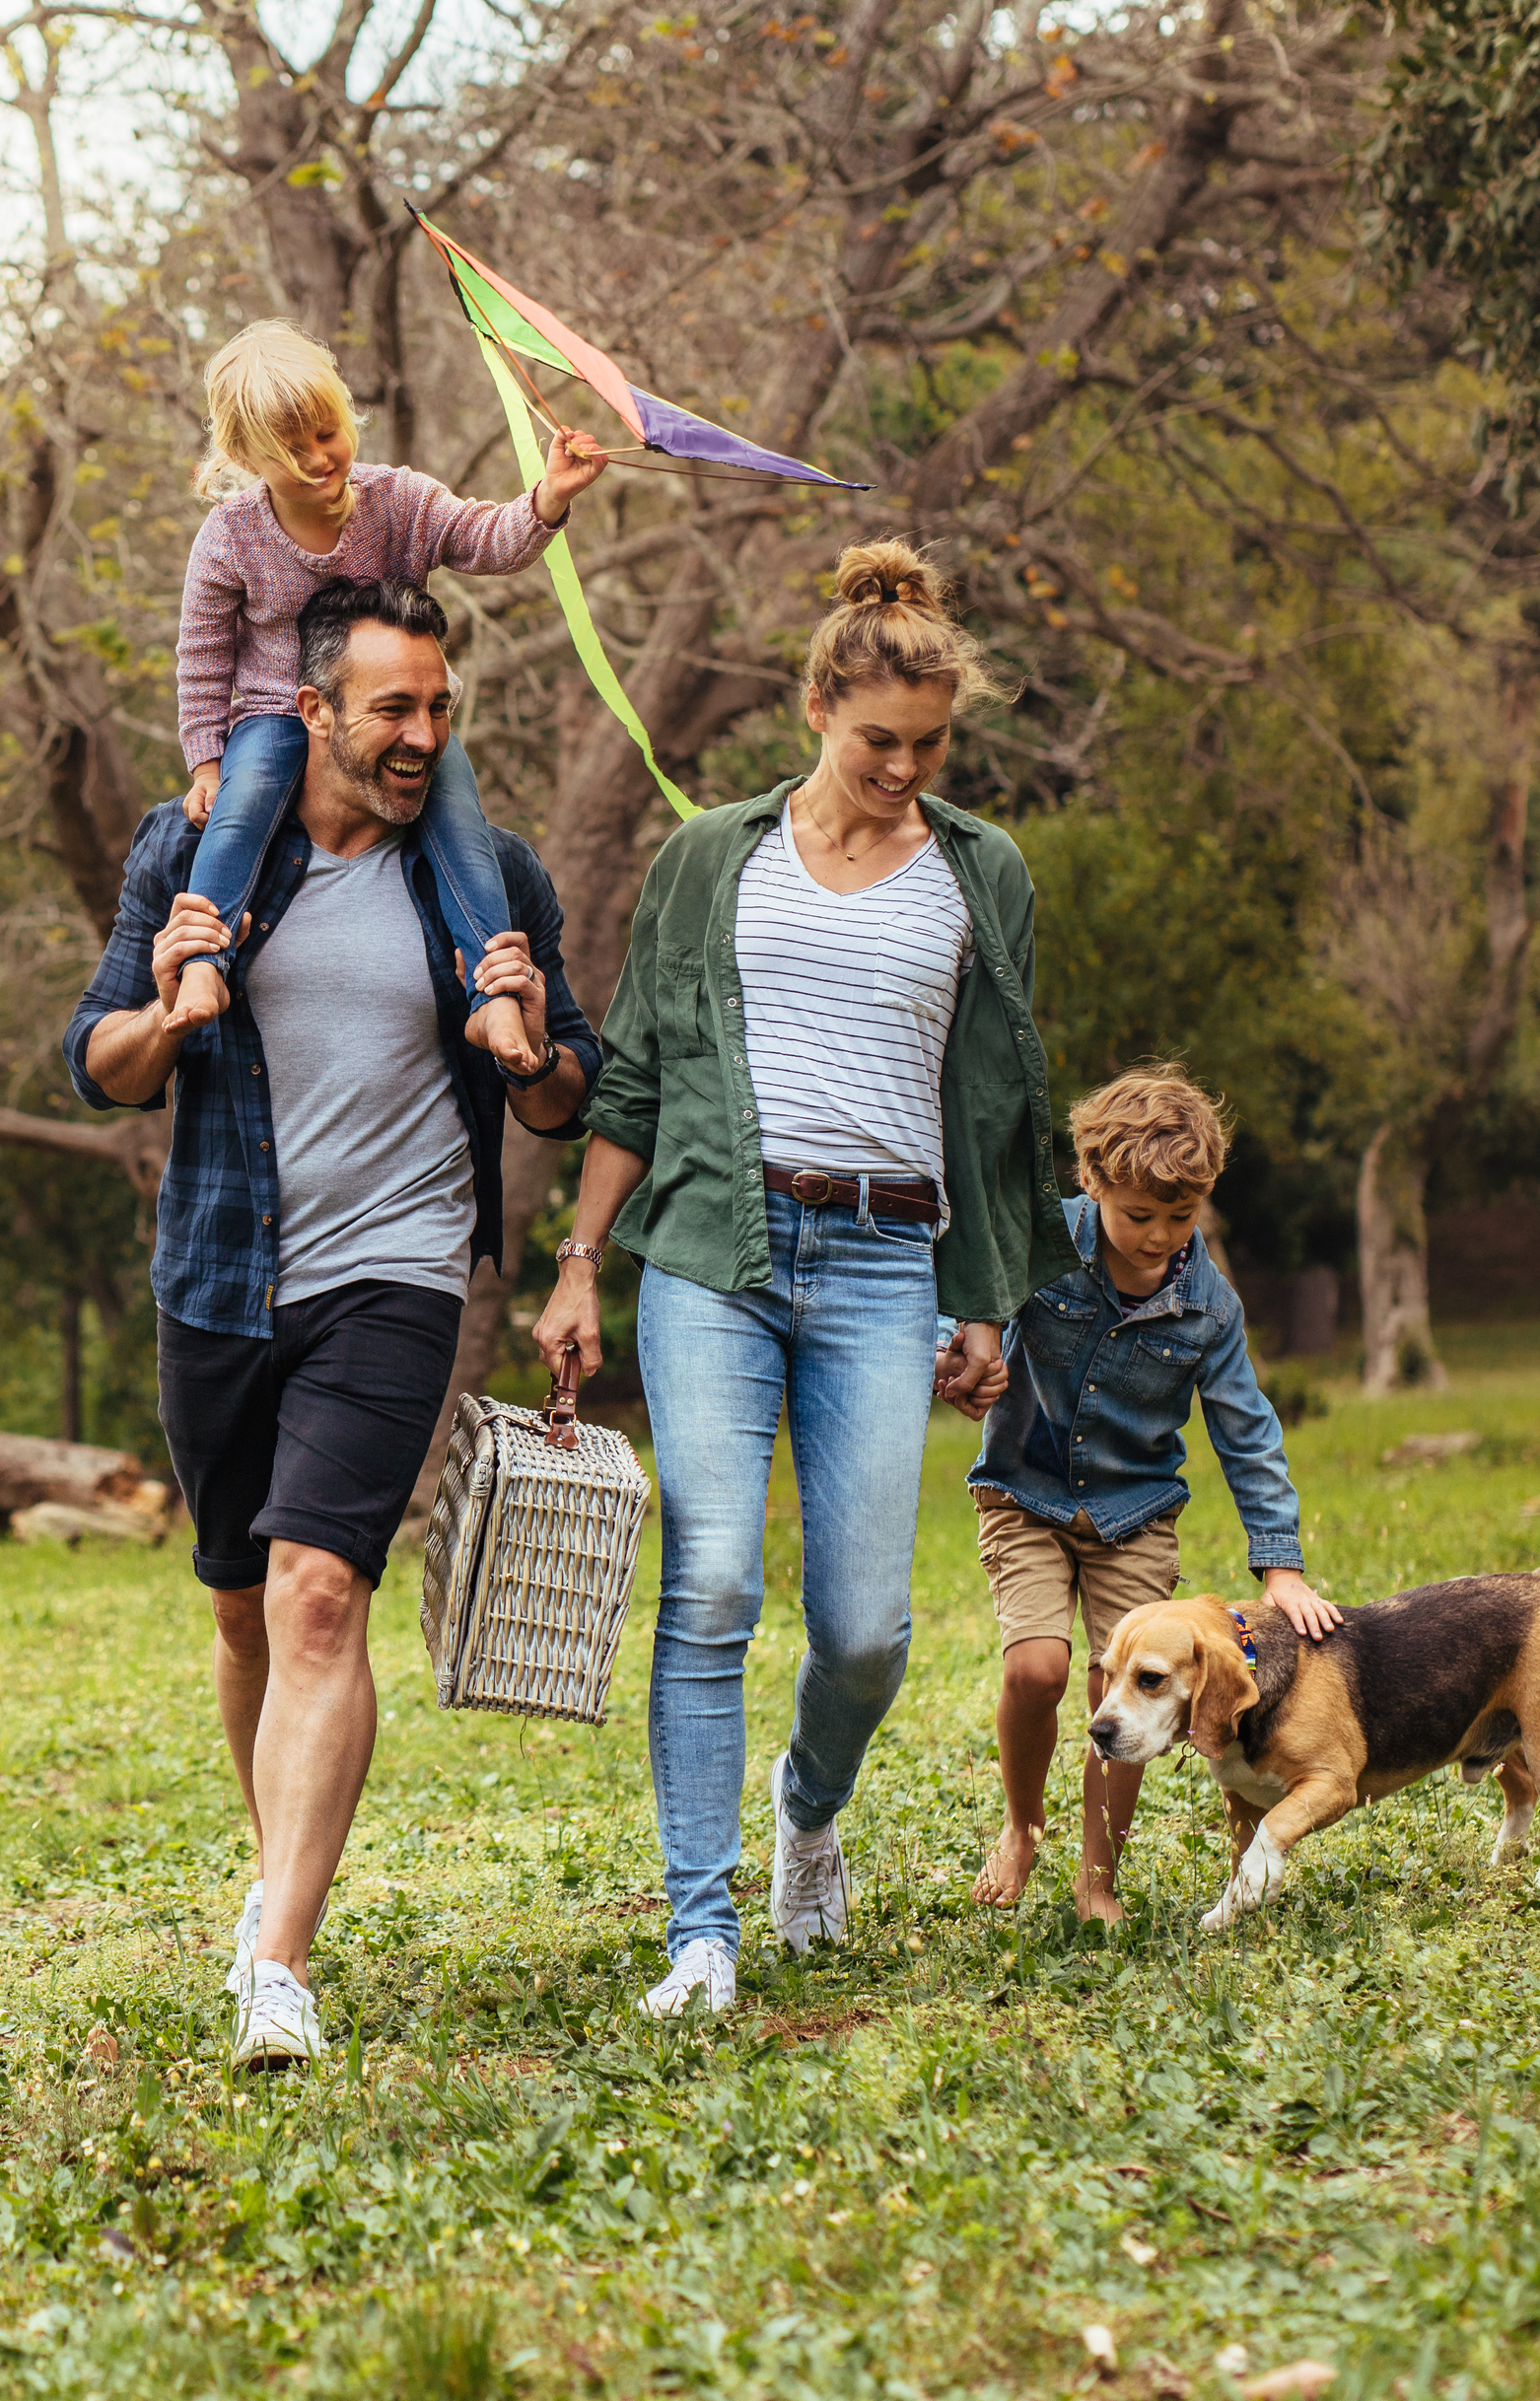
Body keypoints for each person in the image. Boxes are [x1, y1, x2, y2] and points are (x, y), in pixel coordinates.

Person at [63, 577, 602, 2071]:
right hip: (224, 1273)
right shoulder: (194, 851)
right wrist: (169, 1018)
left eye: (439, 706)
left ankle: (281, 1965)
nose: (422, 731)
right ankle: (271, 1873)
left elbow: (569, 1086)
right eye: (393, 707)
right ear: (313, 709)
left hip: (400, 1271)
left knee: (317, 1593)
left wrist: (535, 1034)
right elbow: (95, 1057)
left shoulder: (484, 873)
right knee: (241, 1598)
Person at [532, 539, 1069, 2017]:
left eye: (929, 744)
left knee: (863, 1629)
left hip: (887, 1258)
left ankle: (808, 1800)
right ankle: (696, 1928)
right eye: (875, 740)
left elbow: (1002, 1101)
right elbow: (631, 1077)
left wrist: (987, 1295)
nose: (903, 767)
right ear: (816, 707)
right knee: (708, 1580)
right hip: (716, 1248)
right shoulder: (713, 854)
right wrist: (582, 1264)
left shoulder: (981, 873)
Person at [168, 319, 607, 1064]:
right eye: (289, 450)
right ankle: (203, 965)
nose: (316, 459)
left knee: (462, 827)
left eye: (325, 432)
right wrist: (206, 761)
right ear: (245, 457)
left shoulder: (396, 499)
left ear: (346, 414)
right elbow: (203, 653)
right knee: (239, 815)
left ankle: (495, 995)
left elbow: (482, 538)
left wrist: (548, 497)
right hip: (278, 709)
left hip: (394, 711)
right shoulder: (231, 536)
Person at [960, 1067, 1338, 1921]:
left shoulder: (1208, 1305)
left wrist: (1279, 1567)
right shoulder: (1037, 1244)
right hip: (1024, 1494)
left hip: (1135, 1517)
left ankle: (1098, 1879)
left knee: (1120, 1694)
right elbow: (967, 1311)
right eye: (1138, 1215)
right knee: (1036, 1666)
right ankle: (1022, 1826)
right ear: (1091, 1185)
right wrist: (961, 1364)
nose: (1159, 1235)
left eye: (1181, 1216)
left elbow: (1247, 1430)